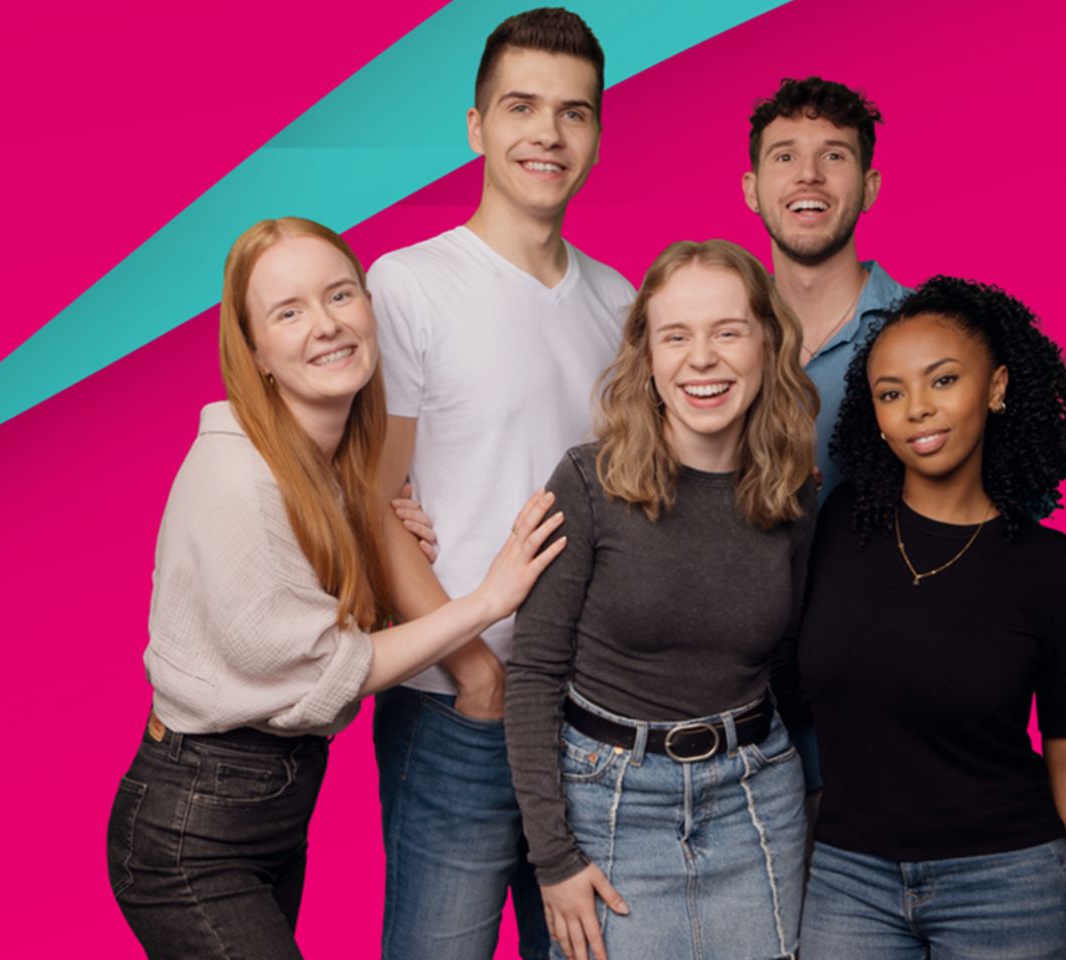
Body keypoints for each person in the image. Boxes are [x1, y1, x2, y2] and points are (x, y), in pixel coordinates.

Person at [106, 217, 567, 959]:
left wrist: (370, 542)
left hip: (268, 812)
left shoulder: (322, 473)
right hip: (194, 828)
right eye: (288, 312)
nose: (325, 325)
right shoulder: (240, 479)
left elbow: (306, 621)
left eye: (340, 295)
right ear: (254, 351)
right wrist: (487, 601)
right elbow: (326, 667)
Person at [366, 9, 635, 958]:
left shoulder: (624, 303)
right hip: (457, 709)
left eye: (573, 113)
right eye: (521, 107)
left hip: (591, 714)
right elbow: (373, 500)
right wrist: (474, 671)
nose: (547, 135)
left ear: (597, 132)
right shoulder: (408, 285)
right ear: (477, 125)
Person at [506, 239, 821, 960]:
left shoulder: (793, 492)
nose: (701, 358)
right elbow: (532, 678)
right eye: (675, 336)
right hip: (611, 803)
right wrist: (553, 859)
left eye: (727, 332)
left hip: (756, 796)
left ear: (767, 346)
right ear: (646, 357)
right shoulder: (588, 484)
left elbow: (795, 666)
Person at [796, 277, 1066, 958]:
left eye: (942, 381)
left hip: (1007, 883)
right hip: (847, 880)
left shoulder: (1051, 570)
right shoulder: (835, 530)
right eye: (892, 393)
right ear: (875, 415)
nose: (918, 409)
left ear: (997, 388)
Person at [742, 76, 910, 809]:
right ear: (752, 188)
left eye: (833, 157)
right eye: (786, 157)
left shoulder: (926, 339)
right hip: (738, 741)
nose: (808, 175)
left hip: (888, 735)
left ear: (869, 186)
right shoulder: (707, 349)